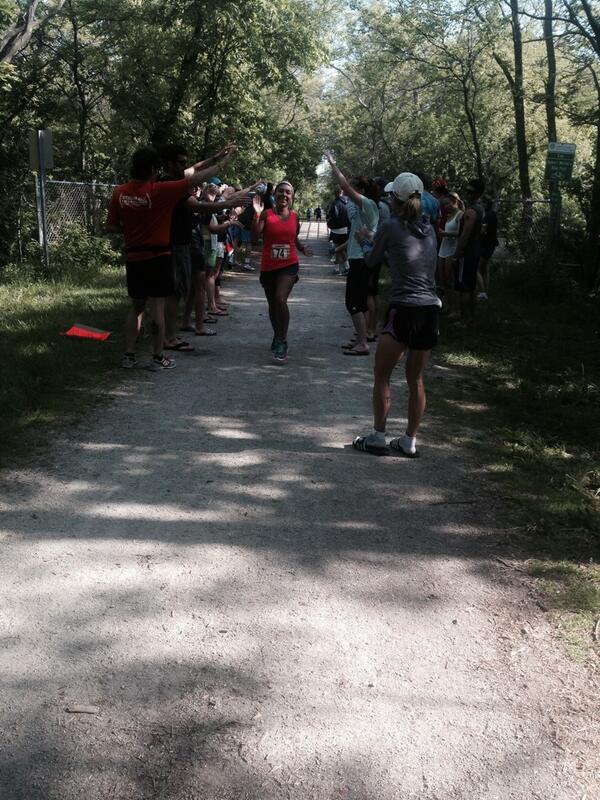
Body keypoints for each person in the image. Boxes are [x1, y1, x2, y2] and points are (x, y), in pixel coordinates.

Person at [106, 142, 237, 370]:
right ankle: (157, 357)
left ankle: (128, 355)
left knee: (136, 308)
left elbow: (111, 226)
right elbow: (195, 178)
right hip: (159, 256)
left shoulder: (120, 192)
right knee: (158, 307)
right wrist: (222, 163)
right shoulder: (161, 190)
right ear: (154, 169)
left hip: (134, 257)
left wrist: (132, 232)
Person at [351, 172, 440, 457]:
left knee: (382, 375)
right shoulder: (430, 230)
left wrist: (365, 240)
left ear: (394, 199)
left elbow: (371, 260)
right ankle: (409, 442)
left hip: (403, 308)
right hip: (429, 310)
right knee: (416, 379)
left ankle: (378, 437)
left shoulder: (390, 226)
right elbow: (405, 261)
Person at [325, 151, 379, 356]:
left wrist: (333, 165)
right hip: (359, 257)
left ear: (361, 190)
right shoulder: (364, 207)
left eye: (353, 187)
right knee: (360, 302)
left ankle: (363, 343)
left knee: (353, 302)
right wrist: (342, 248)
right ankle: (360, 338)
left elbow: (345, 187)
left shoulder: (368, 204)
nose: (348, 190)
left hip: (361, 260)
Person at [251, 181, 313, 363]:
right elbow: (254, 238)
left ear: (292, 197)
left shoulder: (294, 216)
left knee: (280, 299)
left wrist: (302, 248)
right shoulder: (266, 214)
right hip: (269, 266)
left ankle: (282, 340)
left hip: (289, 264)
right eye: (281, 191)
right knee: (272, 304)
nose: (284, 195)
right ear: (274, 194)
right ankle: (277, 335)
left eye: (288, 192)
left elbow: (293, 237)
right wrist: (256, 215)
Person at [454, 177, 485, 324]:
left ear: (478, 193)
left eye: (471, 191)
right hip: (474, 252)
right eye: (466, 190)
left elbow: (465, 235)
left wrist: (457, 254)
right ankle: (471, 317)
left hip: (466, 254)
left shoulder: (471, 212)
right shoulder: (479, 209)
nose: (467, 194)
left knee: (464, 288)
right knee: (471, 286)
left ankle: (464, 320)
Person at [438, 191, 464, 317]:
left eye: (447, 204)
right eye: (444, 204)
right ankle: (447, 305)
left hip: (452, 250)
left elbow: (460, 233)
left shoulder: (460, 215)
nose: (445, 206)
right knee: (443, 279)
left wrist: (445, 233)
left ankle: (456, 309)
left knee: (450, 280)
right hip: (443, 248)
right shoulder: (449, 215)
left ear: (455, 202)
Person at [477, 195, 499, 300]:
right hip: (490, 244)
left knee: (477, 268)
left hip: (486, 244)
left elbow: (482, 231)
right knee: (485, 268)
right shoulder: (492, 214)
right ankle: (486, 291)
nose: (479, 204)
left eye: (481, 203)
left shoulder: (487, 215)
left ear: (485, 203)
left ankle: (482, 292)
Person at [326, 185, 349, 276]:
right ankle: (344, 268)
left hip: (336, 230)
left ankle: (339, 269)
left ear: (335, 193)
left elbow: (334, 217)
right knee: (341, 249)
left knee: (337, 249)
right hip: (345, 229)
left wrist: (329, 223)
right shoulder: (347, 202)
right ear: (341, 192)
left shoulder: (335, 203)